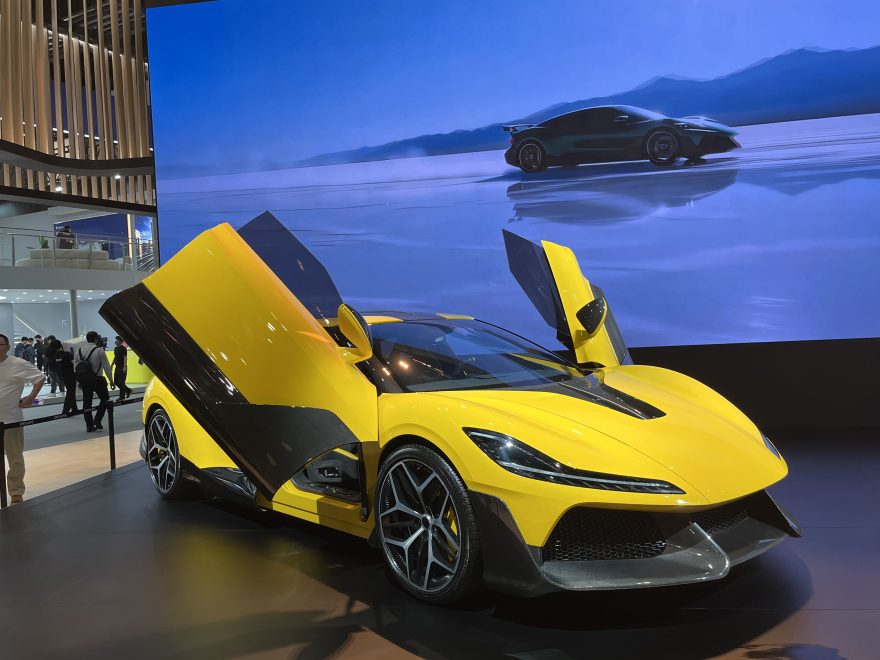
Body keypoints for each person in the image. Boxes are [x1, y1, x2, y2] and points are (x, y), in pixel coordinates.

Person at [0, 333, 45, 504]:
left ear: (8, 347)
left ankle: (16, 491)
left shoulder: (18, 364)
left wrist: (31, 397)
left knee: (15, 458)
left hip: (11, 419)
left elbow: (40, 378)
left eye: (0, 344)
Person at [75, 331, 114, 432]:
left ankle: (89, 426)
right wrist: (111, 381)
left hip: (85, 381)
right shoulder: (100, 351)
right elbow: (106, 367)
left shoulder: (79, 351)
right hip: (98, 379)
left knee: (87, 403)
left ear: (86, 339)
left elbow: (76, 368)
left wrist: (79, 381)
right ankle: (97, 420)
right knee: (105, 399)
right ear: (96, 339)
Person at [50, 340, 77, 416]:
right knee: (71, 392)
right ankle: (65, 411)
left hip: (61, 376)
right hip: (70, 375)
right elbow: (74, 363)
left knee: (70, 391)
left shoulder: (55, 355)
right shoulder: (67, 354)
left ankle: (75, 409)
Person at [111, 336, 132, 402]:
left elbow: (125, 358)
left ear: (120, 341)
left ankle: (122, 397)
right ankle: (128, 390)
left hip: (122, 367)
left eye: (116, 340)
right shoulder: (115, 348)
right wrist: (112, 365)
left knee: (122, 382)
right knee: (116, 382)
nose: (115, 341)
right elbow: (115, 357)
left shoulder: (123, 349)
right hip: (117, 367)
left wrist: (125, 367)